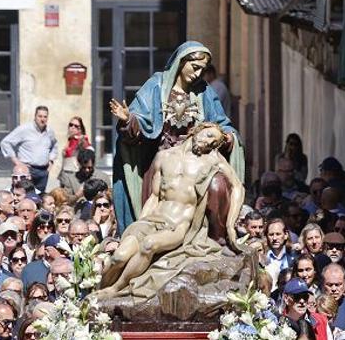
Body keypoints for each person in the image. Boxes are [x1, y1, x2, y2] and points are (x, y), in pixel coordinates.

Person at [109, 41, 244, 239]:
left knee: (218, 185)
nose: (198, 74)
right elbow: (140, 122)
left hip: (197, 161)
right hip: (161, 161)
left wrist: (226, 137)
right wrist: (129, 120)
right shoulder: (156, 86)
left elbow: (223, 125)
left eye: (202, 70)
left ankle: (217, 240)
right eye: (195, 67)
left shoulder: (204, 92)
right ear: (181, 62)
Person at [98, 122, 245, 295]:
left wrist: (230, 225)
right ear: (197, 130)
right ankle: (99, 291)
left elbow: (238, 187)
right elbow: (154, 196)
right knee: (118, 257)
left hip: (178, 226)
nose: (210, 142)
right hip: (154, 219)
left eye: (215, 142)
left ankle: (115, 290)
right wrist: (141, 222)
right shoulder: (164, 156)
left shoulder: (213, 160)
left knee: (149, 245)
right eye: (209, 135)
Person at [0, 106, 59, 193]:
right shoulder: (24, 129)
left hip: (43, 171)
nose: (42, 119)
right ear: (35, 117)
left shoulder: (50, 132)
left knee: (40, 198)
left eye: (45, 117)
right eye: (40, 116)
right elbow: (5, 142)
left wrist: (51, 161)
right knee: (24, 195)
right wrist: (17, 162)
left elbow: (55, 145)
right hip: (27, 170)